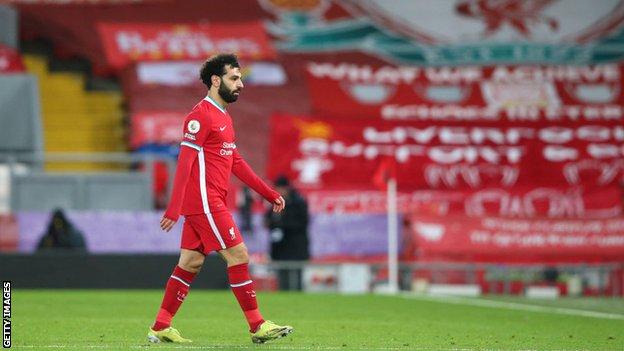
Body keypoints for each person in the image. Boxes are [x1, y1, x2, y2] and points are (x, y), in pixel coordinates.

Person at [148, 54, 292, 344]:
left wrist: (268, 193)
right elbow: (185, 162)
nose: (240, 84)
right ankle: (257, 325)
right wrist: (174, 208)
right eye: (234, 78)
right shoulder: (200, 116)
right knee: (239, 256)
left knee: (189, 263)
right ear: (216, 80)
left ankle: (161, 325)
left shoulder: (223, 116)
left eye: (240, 78)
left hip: (209, 201)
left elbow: (235, 162)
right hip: (204, 201)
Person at [264, 176, 310, 291]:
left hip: (295, 246)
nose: (279, 192)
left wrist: (281, 224)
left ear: (287, 188)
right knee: (282, 278)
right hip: (280, 248)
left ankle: (297, 299)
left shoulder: (298, 202)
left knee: (296, 277)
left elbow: (303, 222)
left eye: (281, 189)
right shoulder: (275, 202)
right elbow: (268, 219)